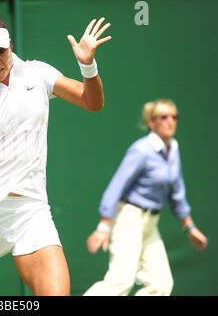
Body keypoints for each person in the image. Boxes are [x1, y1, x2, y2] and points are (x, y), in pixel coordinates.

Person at [0, 15, 111, 296]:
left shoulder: (38, 73)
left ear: (10, 46)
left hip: (31, 210)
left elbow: (92, 102)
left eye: (0, 52)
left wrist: (88, 65)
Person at [84, 99, 208, 296]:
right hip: (128, 219)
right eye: (163, 117)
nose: (170, 121)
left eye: (174, 117)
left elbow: (177, 192)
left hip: (151, 224)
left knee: (160, 284)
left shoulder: (173, 149)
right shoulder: (141, 150)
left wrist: (189, 226)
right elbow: (117, 185)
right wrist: (103, 226)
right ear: (151, 122)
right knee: (120, 282)